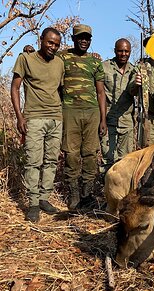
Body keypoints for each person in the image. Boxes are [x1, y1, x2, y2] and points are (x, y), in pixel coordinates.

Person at [11, 27, 65, 222]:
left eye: (57, 44)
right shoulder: (25, 59)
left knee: (51, 161)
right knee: (34, 162)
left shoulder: (59, 62)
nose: (53, 47)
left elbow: (61, 89)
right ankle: (33, 203)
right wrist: (19, 117)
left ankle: (44, 198)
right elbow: (15, 88)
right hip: (34, 117)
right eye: (50, 42)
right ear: (41, 39)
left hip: (56, 118)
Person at [58, 24, 107, 209]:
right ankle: (74, 194)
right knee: (70, 153)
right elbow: (44, 59)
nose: (84, 41)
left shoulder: (95, 62)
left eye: (87, 38)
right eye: (80, 37)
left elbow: (101, 93)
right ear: (73, 38)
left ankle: (87, 194)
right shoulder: (62, 57)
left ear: (90, 40)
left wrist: (103, 119)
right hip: (70, 111)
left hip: (92, 112)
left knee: (90, 154)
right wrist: (29, 51)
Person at [100, 38, 135, 175]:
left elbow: (135, 91)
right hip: (108, 120)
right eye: (120, 51)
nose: (123, 54)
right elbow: (99, 92)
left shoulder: (134, 70)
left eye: (126, 51)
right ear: (115, 51)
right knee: (107, 159)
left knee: (126, 160)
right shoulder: (104, 67)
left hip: (126, 120)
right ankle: (106, 191)